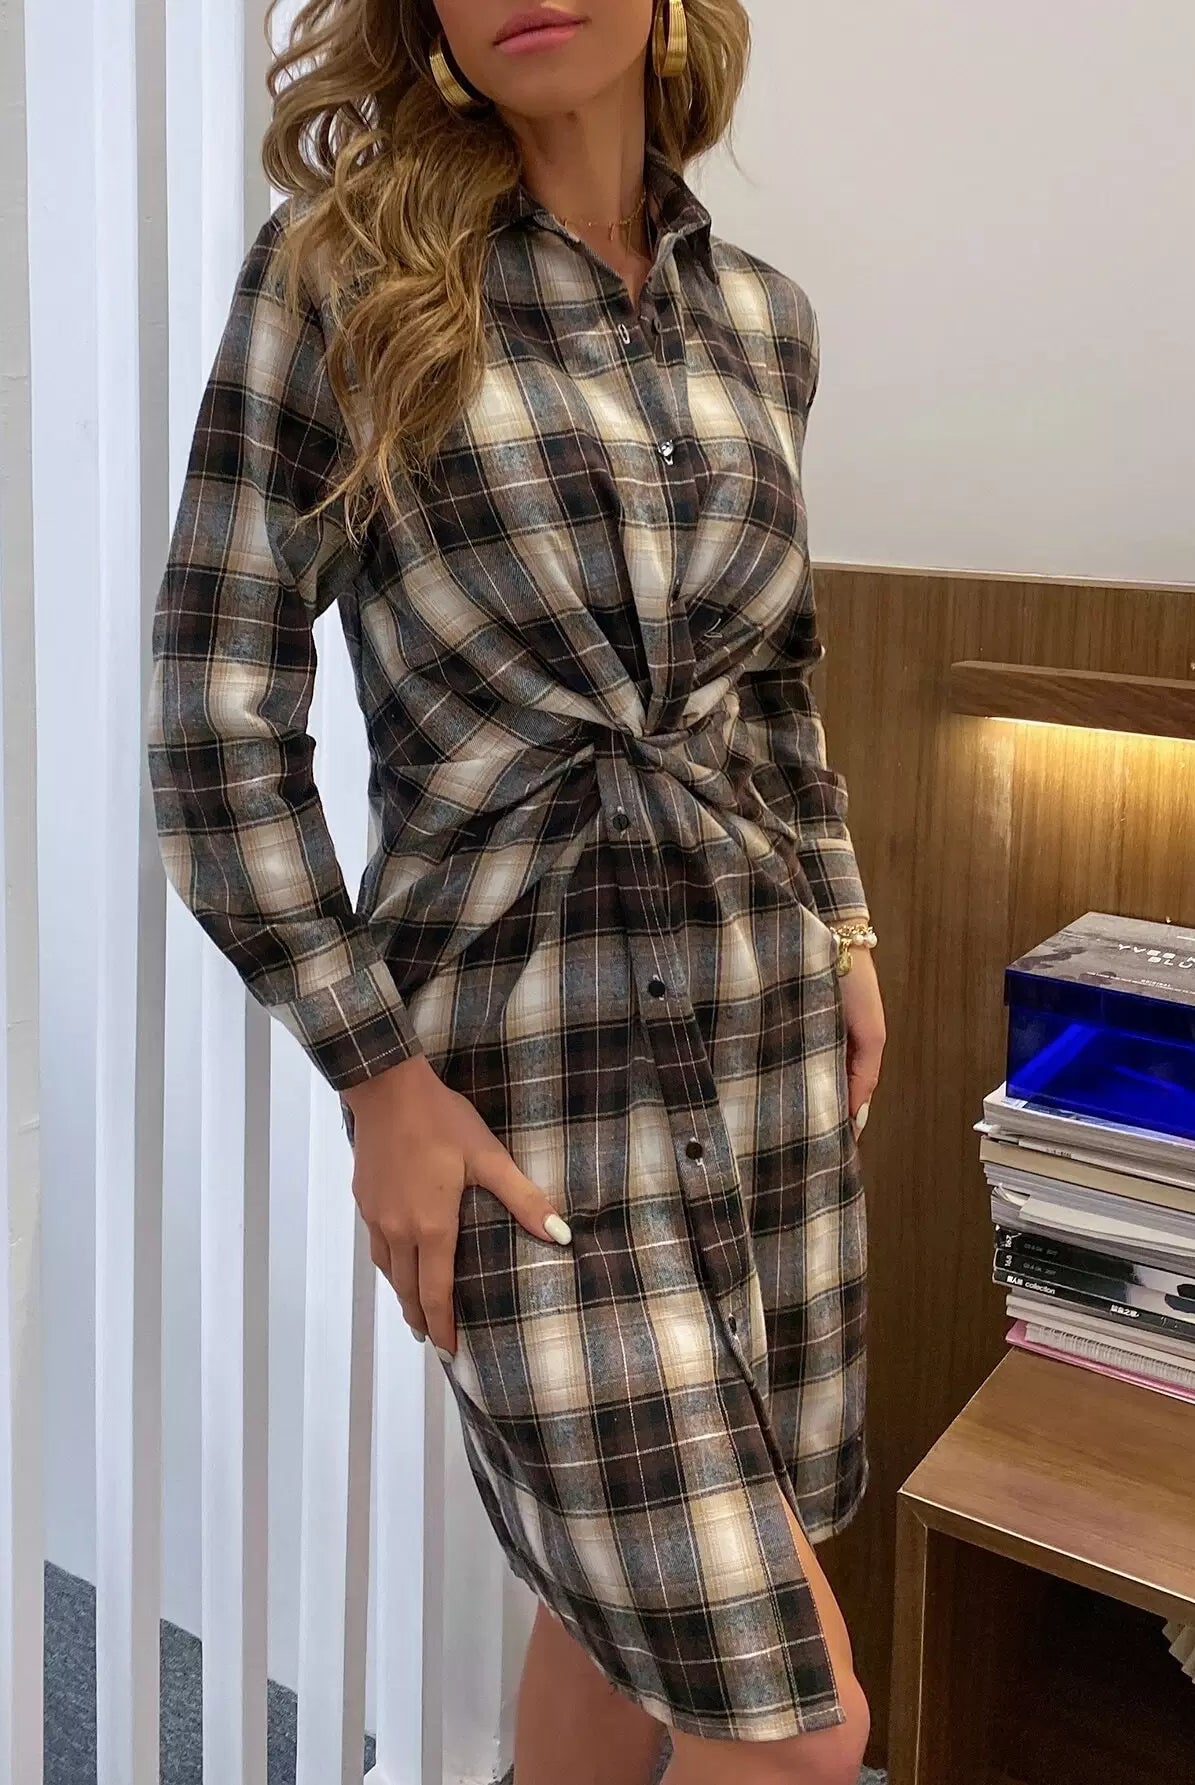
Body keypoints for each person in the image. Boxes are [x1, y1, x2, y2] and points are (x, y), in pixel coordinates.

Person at [147, 2, 886, 1780]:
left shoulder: (766, 325)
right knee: (798, 1727)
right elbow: (212, 719)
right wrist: (376, 1076)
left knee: (624, 1631)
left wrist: (847, 924)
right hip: (520, 1100)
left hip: (765, 1046)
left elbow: (776, 681)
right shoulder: (344, 287)